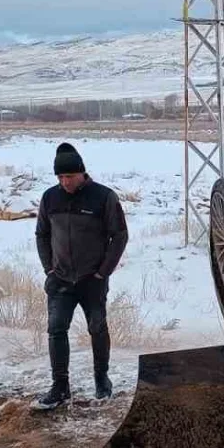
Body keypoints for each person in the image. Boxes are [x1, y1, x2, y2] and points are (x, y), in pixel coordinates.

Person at [32, 143, 129, 411]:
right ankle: (60, 387)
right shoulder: (50, 198)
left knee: (97, 328)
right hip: (60, 279)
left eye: (69, 177)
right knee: (56, 329)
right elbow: (42, 235)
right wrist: (49, 270)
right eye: (60, 178)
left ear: (82, 173)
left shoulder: (103, 197)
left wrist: (102, 272)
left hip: (92, 279)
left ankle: (102, 380)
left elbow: (119, 235)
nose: (65, 182)